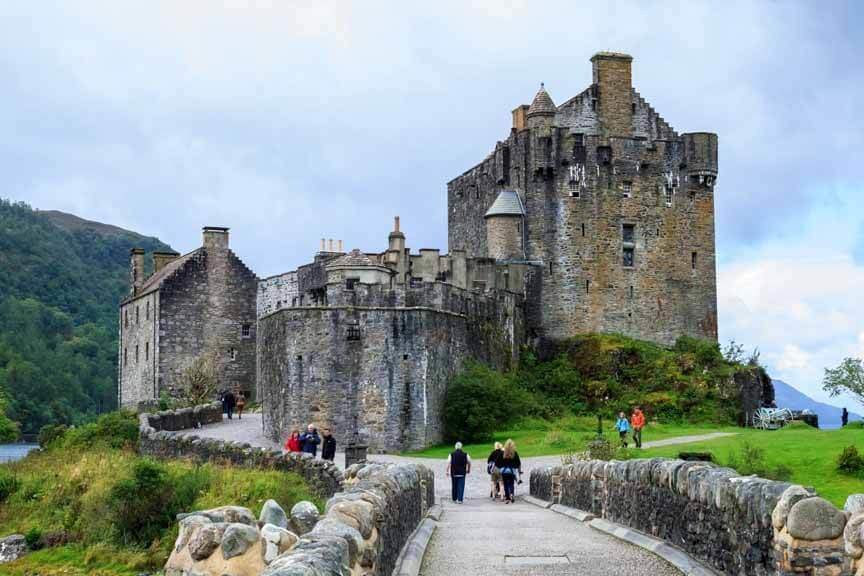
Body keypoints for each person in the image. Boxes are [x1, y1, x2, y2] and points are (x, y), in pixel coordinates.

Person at [499, 439, 521, 504]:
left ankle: (507, 498)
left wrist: (501, 467)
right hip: (511, 471)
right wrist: (516, 467)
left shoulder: (503, 453)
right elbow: (518, 462)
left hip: (504, 471)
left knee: (505, 484)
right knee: (511, 483)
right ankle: (511, 494)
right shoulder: (514, 453)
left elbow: (499, 462)